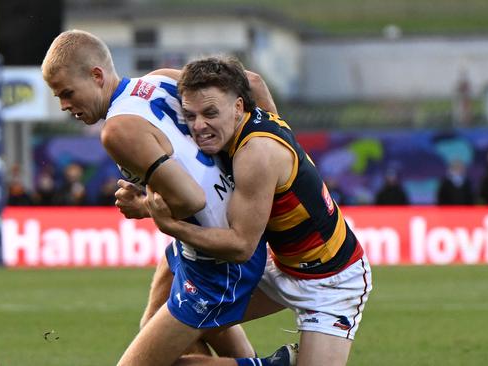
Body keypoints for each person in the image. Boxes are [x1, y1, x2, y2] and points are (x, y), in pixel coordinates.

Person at [42, 30, 287, 365]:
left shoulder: (116, 131)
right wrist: (284, 155)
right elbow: (253, 82)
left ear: (97, 75)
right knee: (152, 324)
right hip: (208, 240)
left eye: (67, 93)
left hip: (217, 259)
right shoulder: (161, 79)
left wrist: (140, 206)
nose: (64, 105)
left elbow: (190, 200)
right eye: (58, 97)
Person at [143, 57, 372, 366]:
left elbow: (240, 246)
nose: (198, 126)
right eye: (190, 115)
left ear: (238, 107)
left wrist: (171, 226)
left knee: (176, 333)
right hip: (277, 265)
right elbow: (253, 80)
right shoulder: (248, 104)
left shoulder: (256, 154)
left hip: (332, 282)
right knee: (178, 332)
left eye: (211, 113)